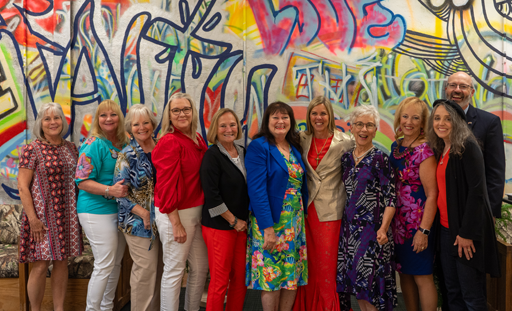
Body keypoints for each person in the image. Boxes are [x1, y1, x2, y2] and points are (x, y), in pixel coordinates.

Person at [427, 99, 500, 310]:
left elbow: (477, 194)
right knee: (453, 292)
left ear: (458, 121)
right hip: (446, 230)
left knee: (472, 296)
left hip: (465, 233)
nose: (441, 123)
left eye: (448, 119)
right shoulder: (443, 148)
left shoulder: (467, 147)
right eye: (437, 118)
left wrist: (467, 233)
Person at [18, 102, 83, 311]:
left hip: (67, 215)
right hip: (42, 218)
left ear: (62, 122)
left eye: (56, 118)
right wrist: (33, 220)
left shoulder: (72, 148)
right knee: (41, 264)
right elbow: (22, 187)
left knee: (62, 262)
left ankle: (59, 308)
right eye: (47, 118)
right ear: (41, 124)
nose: (53, 122)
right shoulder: (32, 149)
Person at [245, 101, 309, 311]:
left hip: (294, 223)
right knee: (271, 276)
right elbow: (257, 190)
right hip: (271, 222)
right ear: (267, 121)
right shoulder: (259, 146)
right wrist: (268, 229)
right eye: (275, 117)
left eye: (285, 117)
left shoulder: (293, 147)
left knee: (291, 275)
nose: (280, 121)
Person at [293, 96, 354, 311]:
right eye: (314, 113)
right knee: (307, 263)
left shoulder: (346, 141)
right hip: (306, 210)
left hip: (331, 211)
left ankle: (328, 306)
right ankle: (307, 305)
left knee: (327, 265)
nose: (318, 117)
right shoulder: (301, 139)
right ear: (309, 116)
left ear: (330, 116)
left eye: (323, 113)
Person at [336, 105, 397, 311]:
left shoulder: (381, 159)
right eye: (359, 124)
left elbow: (391, 198)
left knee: (371, 289)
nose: (364, 129)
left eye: (369, 125)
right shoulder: (345, 159)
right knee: (358, 287)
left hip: (373, 233)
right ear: (351, 127)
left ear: (375, 130)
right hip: (350, 233)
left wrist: (383, 228)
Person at [153, 92, 209, 311]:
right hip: (175, 214)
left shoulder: (196, 138)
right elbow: (165, 187)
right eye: (175, 110)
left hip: (196, 213)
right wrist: (176, 223)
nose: (181, 114)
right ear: (169, 114)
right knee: (175, 271)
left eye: (186, 109)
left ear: (193, 111)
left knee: (200, 268)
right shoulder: (169, 141)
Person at [75, 99, 129, 311]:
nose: (108, 119)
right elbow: (82, 181)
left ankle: (107, 308)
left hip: (119, 211)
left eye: (113, 114)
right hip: (95, 211)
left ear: (119, 118)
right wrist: (110, 190)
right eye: (103, 115)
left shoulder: (123, 143)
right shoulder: (94, 144)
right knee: (105, 264)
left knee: (115, 263)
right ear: (98, 119)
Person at [389, 97, 438, 311]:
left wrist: (423, 231)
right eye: (405, 116)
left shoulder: (425, 151)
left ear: (422, 122)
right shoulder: (396, 145)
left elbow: (432, 194)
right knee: (404, 272)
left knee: (422, 275)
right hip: (398, 224)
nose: (409, 121)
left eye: (415, 118)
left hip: (418, 223)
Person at [200, 108, 250, 311]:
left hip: (242, 228)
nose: (229, 129)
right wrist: (233, 221)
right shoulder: (212, 156)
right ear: (216, 129)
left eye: (232, 124)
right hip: (220, 227)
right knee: (220, 281)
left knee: (240, 279)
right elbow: (212, 198)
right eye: (223, 126)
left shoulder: (243, 152)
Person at [113, 104, 159, 310]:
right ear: (130, 128)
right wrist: (144, 213)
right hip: (138, 223)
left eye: (146, 122)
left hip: (164, 221)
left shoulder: (161, 147)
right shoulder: (127, 155)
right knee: (146, 271)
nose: (142, 127)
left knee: (160, 270)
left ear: (153, 124)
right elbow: (120, 195)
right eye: (136, 124)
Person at [445, 71, 505, 219]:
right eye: (453, 85)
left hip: (474, 209)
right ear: (446, 89)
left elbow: (495, 172)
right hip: (443, 208)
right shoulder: (436, 122)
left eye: (463, 86)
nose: (457, 90)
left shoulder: (489, 122)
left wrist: (489, 212)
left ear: (471, 92)